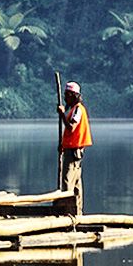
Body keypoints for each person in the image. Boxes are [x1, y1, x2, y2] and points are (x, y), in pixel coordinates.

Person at [56, 81, 92, 215]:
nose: (65, 98)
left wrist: (62, 115)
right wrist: (63, 145)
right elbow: (69, 135)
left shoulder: (78, 109)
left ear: (73, 95)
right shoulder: (73, 109)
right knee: (75, 183)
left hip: (74, 153)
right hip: (72, 150)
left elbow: (71, 128)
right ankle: (76, 212)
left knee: (68, 182)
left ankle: (69, 213)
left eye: (67, 95)